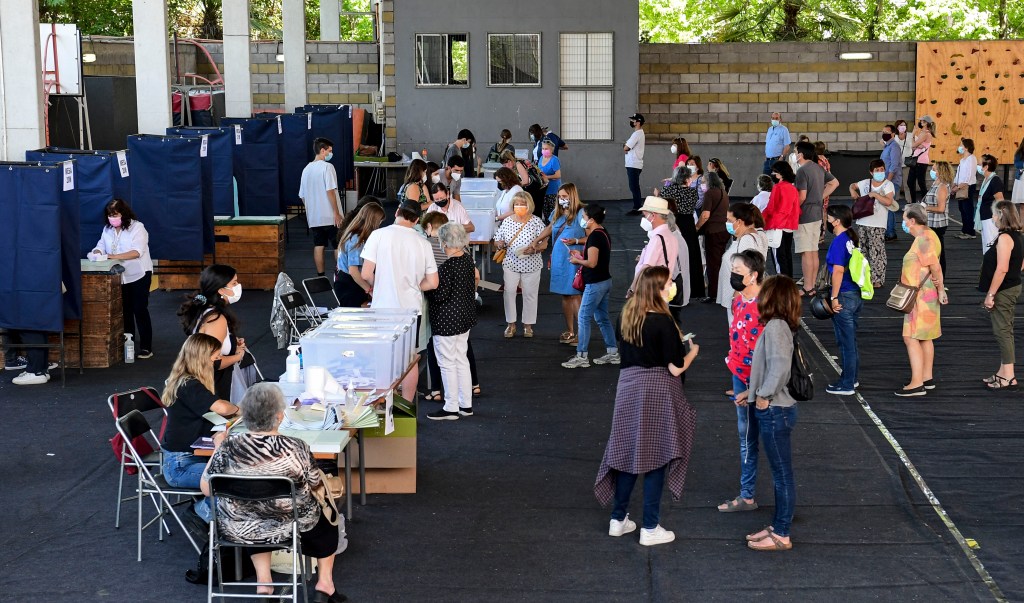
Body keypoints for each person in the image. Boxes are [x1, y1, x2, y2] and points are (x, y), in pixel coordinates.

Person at [200, 383, 345, 603]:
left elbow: (206, 489)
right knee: (327, 519)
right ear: (279, 416)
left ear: (245, 416)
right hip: (290, 527)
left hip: (239, 528)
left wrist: (218, 448)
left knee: (253, 512)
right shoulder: (296, 447)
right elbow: (316, 485)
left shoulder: (229, 446)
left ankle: (264, 583)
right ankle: (325, 584)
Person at [594, 266, 700, 546]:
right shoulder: (663, 322)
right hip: (657, 390)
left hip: (627, 387)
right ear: (657, 290)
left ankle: (618, 518)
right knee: (658, 456)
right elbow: (675, 369)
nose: (671, 288)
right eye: (668, 285)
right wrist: (692, 354)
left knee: (627, 452)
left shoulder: (626, 315)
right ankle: (650, 527)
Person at [737, 275, 801, 552]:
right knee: (780, 473)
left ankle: (782, 533)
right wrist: (751, 394)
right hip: (776, 408)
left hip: (775, 410)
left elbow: (778, 368)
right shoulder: (780, 325)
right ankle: (778, 526)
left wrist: (761, 397)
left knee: (782, 475)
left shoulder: (775, 327)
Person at [361, 200, 439, 401]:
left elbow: (366, 273)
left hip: (383, 308)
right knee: (409, 360)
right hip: (411, 311)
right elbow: (433, 282)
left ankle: (381, 403)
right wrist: (413, 285)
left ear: (397, 212)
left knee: (382, 357)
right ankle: (406, 405)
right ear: (416, 221)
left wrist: (379, 287)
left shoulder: (378, 235)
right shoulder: (423, 243)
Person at [160, 334, 239, 521]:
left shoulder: (187, 381)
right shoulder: (189, 385)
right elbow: (221, 407)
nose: (217, 360)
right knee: (232, 479)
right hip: (180, 465)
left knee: (235, 472)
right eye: (215, 356)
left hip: (190, 456)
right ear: (202, 358)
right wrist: (240, 409)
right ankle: (201, 513)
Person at [717, 250, 765, 514]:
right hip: (739, 376)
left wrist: (754, 388)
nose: (733, 276)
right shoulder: (738, 300)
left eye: (738, 272)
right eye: (732, 271)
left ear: (753, 275)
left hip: (759, 384)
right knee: (746, 436)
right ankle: (747, 494)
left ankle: (750, 494)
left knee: (764, 438)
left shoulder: (766, 305)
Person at [425, 223, 479, 420]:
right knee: (461, 360)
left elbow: (438, 295)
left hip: (447, 321)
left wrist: (425, 287)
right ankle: (466, 405)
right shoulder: (467, 260)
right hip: (464, 319)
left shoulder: (448, 267)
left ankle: (451, 407)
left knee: (447, 363)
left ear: (444, 242)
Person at [89, 198, 154, 358]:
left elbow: (136, 252)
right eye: (110, 215)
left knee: (139, 309)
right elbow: (100, 245)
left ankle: (146, 347)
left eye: (115, 214)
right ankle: (128, 343)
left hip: (139, 273)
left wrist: (111, 256)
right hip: (121, 276)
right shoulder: (108, 229)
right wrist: (97, 252)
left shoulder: (137, 227)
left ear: (123, 214)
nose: (113, 218)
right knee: (124, 310)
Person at [897, 204, 948, 397]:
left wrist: (941, 287)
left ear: (912, 221)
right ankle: (927, 378)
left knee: (909, 337)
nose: (903, 222)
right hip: (927, 293)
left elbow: (935, 266)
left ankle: (916, 383)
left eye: (904, 219)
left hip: (919, 296)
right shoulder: (930, 234)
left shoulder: (923, 239)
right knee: (926, 336)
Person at [527, 183, 585, 344]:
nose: (561, 199)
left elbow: (593, 234)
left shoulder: (581, 213)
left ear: (572, 196)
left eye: (565, 196)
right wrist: (536, 240)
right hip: (559, 259)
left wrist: (577, 240)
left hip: (574, 260)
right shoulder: (557, 213)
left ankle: (582, 333)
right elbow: (550, 227)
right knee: (565, 295)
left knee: (575, 295)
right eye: (560, 196)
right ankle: (570, 330)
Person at [178, 265, 247, 401]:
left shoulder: (205, 310)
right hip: (213, 385)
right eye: (234, 283)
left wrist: (232, 344)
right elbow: (211, 361)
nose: (238, 286)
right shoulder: (216, 318)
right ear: (221, 289)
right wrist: (237, 356)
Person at [563, 204, 617, 368]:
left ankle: (582, 355)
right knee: (602, 318)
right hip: (605, 281)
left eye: (584, 217)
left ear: (591, 220)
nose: (582, 219)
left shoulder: (594, 237)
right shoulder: (602, 232)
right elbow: (595, 258)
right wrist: (581, 255)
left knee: (583, 317)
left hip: (595, 283)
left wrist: (577, 260)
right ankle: (612, 353)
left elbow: (592, 263)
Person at [979, 201, 1024, 389]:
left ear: (1001, 215)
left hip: (1004, 290)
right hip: (1010, 287)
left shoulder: (1006, 238)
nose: (993, 218)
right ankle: (1003, 372)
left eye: (994, 215)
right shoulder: (1016, 236)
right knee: (1006, 330)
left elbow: (1002, 269)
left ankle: (1008, 376)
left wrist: (991, 293)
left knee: (1002, 332)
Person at [492, 192, 545, 339]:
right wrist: (499, 244)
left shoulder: (536, 222)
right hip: (510, 263)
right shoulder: (507, 221)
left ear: (529, 205)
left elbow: (545, 243)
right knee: (509, 292)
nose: (519, 206)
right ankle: (511, 324)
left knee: (530, 294)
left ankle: (528, 326)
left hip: (532, 264)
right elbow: (497, 240)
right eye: (516, 204)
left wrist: (534, 248)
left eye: (523, 204)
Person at [823, 205, 863, 396]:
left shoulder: (839, 242)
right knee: (850, 341)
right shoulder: (850, 239)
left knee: (845, 342)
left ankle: (847, 383)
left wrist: (834, 297)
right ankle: (852, 378)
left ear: (836, 221)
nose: (827, 220)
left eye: (829, 217)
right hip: (854, 294)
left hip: (844, 296)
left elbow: (838, 271)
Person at [793, 140, 839, 296]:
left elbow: (802, 196)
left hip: (804, 214)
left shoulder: (802, 171)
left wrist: (792, 208)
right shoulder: (818, 168)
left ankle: (807, 286)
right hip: (817, 214)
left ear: (800, 153)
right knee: (813, 251)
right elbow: (834, 182)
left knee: (806, 252)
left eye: (795, 151)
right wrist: (820, 197)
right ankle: (811, 285)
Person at [658, 165, 704, 299]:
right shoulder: (692, 191)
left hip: (675, 223)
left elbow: (663, 202)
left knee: (675, 257)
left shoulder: (669, 189)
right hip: (689, 224)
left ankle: (676, 289)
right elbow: (696, 204)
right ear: (687, 178)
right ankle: (695, 290)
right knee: (692, 256)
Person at [298, 137, 342, 277]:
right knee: (337, 245)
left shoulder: (306, 169)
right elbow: (330, 191)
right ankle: (340, 274)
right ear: (322, 150)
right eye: (329, 151)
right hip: (330, 216)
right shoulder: (327, 167)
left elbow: (302, 196)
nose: (330, 153)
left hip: (314, 217)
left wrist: (311, 210)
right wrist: (336, 213)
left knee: (318, 245)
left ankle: (320, 276)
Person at [717, 204, 768, 320]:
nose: (727, 223)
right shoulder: (746, 237)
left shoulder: (747, 240)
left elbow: (746, 270)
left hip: (740, 294)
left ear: (739, 221)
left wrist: (737, 295)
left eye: (730, 220)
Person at [851, 159, 897, 289]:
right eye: (877, 170)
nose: (880, 172)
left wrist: (875, 195)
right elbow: (852, 185)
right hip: (862, 221)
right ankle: (864, 277)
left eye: (882, 169)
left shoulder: (888, 185)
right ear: (871, 172)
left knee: (877, 251)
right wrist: (852, 191)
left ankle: (877, 279)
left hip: (878, 223)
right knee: (863, 250)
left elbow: (889, 202)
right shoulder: (865, 183)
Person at [335, 201, 385, 307]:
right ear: (372, 222)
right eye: (379, 223)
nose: (379, 226)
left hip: (350, 282)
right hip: (350, 285)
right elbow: (353, 271)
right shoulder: (356, 239)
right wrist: (369, 290)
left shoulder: (353, 235)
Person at [629, 197, 677, 296]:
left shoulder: (657, 239)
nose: (643, 218)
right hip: (663, 288)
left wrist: (632, 288)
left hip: (651, 290)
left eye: (645, 215)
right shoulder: (671, 235)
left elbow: (646, 267)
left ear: (653, 215)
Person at [695, 172, 730, 301]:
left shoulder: (709, 194)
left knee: (712, 264)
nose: (702, 184)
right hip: (724, 231)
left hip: (713, 231)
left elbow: (705, 215)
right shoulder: (723, 192)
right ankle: (720, 290)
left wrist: (696, 228)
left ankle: (713, 294)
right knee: (719, 262)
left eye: (703, 182)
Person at [763, 161, 800, 277]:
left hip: (777, 225)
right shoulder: (792, 188)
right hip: (789, 226)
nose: (773, 174)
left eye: (774, 171)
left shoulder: (778, 187)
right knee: (787, 256)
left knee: (778, 258)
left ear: (779, 174)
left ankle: (782, 286)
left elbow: (771, 208)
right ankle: (789, 284)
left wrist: (761, 219)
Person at [921, 161, 952, 274]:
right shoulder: (936, 183)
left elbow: (941, 208)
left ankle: (941, 278)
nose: (932, 171)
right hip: (931, 222)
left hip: (937, 224)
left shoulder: (942, 186)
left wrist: (926, 207)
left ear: (940, 171)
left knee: (938, 252)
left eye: (934, 169)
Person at [977, 154, 1006, 252]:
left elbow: (1000, 201)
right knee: (986, 245)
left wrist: (998, 217)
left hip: (991, 219)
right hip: (985, 217)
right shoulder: (986, 180)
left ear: (985, 167)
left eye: (979, 164)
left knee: (991, 246)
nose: (977, 165)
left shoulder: (995, 181)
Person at [879, 124, 903, 242]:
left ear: (893, 134)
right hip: (886, 180)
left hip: (891, 181)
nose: (884, 134)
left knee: (889, 206)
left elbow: (894, 166)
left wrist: (887, 181)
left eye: (886, 132)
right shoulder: (887, 146)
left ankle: (891, 232)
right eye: (883, 131)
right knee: (887, 206)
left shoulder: (894, 147)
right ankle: (889, 231)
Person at [953, 138, 980, 240]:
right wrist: (954, 184)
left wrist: (959, 186)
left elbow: (969, 175)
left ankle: (970, 232)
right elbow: (959, 174)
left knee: (968, 209)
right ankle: (964, 230)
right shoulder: (962, 160)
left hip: (967, 186)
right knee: (962, 209)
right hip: (960, 186)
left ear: (966, 147)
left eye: (961, 145)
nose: (960, 147)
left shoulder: (972, 158)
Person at [908, 116, 935, 204]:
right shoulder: (923, 133)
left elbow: (913, 145)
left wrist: (913, 135)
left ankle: (925, 202)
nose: (920, 122)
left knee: (920, 182)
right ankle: (914, 201)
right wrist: (917, 145)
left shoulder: (926, 133)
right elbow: (915, 146)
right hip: (917, 160)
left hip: (921, 161)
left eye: (922, 121)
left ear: (926, 123)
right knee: (911, 182)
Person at [624, 113, 647, 215]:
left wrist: (625, 147)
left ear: (638, 122)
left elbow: (626, 147)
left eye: (633, 120)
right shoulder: (638, 134)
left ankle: (637, 207)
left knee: (634, 187)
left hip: (633, 164)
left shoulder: (636, 134)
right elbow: (627, 147)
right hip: (634, 164)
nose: (632, 122)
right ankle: (637, 206)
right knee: (634, 186)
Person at [537, 139, 562, 223]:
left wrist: (546, 177)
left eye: (546, 149)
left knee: (553, 212)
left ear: (552, 150)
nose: (544, 150)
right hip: (544, 188)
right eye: (543, 148)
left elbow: (558, 175)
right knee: (545, 211)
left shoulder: (554, 160)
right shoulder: (541, 158)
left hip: (553, 189)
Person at [895, 118, 914, 202]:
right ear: (897, 127)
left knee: (907, 184)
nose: (903, 127)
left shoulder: (910, 135)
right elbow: (883, 141)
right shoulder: (894, 136)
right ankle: (895, 201)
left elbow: (917, 144)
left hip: (907, 163)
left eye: (904, 125)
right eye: (901, 125)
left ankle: (909, 201)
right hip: (896, 163)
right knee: (896, 183)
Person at [1013, 137, 1024, 213]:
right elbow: (1017, 164)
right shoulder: (1020, 152)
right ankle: (1022, 224)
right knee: (1022, 204)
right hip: (1022, 178)